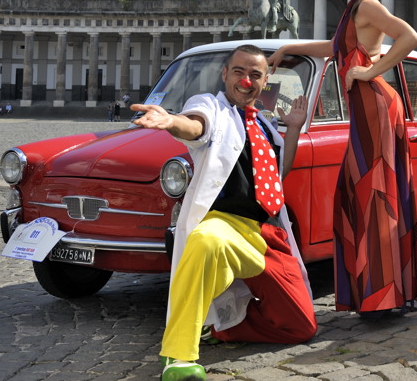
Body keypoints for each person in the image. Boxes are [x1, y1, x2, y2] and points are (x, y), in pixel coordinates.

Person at [131, 44, 316, 381]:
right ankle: (179, 356)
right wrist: (171, 120)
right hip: (225, 224)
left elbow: (277, 174)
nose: (246, 80)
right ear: (224, 75)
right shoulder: (211, 106)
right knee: (204, 240)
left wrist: (292, 128)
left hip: (268, 234)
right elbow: (197, 126)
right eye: (238, 72)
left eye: (255, 75)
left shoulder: (264, 123)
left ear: (265, 80)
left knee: (300, 326)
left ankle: (221, 326)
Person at [268, 0, 417, 317]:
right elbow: (334, 49)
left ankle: (380, 297)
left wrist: (370, 72)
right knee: (363, 194)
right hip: (370, 107)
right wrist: (289, 47)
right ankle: (379, 294)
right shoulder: (353, 11)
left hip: (374, 103)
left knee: (373, 194)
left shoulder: (367, 6)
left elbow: (410, 38)